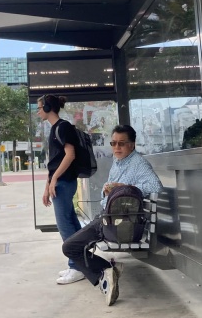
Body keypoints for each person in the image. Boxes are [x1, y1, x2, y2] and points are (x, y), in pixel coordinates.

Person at [62, 124, 162, 306]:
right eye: (113, 143)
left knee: (70, 247)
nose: (116, 147)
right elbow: (113, 190)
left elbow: (156, 186)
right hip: (109, 216)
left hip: (117, 222)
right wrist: (108, 190)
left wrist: (125, 187)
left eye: (121, 143)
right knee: (72, 246)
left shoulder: (138, 163)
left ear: (132, 144)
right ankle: (107, 271)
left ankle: (106, 270)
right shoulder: (119, 162)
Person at [38, 94, 84, 285]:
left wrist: (55, 179)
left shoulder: (63, 127)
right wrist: (47, 186)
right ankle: (80, 262)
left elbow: (70, 155)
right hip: (59, 183)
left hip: (64, 183)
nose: (38, 112)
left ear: (48, 108)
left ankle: (77, 266)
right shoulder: (55, 129)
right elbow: (54, 162)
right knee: (71, 222)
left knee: (65, 225)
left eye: (39, 108)